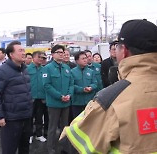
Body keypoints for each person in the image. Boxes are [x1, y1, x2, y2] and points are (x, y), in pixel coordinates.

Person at [60, 19, 157, 153]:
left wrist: (93, 108)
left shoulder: (112, 99)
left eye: (117, 46)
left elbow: (71, 146)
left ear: (123, 51)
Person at [0, 41, 33, 154]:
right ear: (11, 54)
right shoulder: (2, 71)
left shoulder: (24, 69)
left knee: (25, 148)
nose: (24, 53)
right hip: (11, 119)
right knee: (9, 149)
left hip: (26, 117)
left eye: (23, 50)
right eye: (20, 51)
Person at [42, 44, 74, 154]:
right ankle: (51, 149)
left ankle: (64, 148)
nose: (62, 54)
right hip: (54, 103)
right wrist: (60, 96)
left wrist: (69, 95)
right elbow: (47, 86)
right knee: (52, 127)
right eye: (59, 52)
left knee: (65, 127)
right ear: (53, 54)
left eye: (63, 52)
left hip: (66, 103)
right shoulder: (47, 68)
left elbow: (71, 83)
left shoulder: (66, 68)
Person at [27, 51, 48, 143]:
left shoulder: (44, 69)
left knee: (39, 117)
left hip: (41, 98)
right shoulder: (27, 69)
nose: (41, 59)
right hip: (30, 98)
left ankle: (39, 134)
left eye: (43, 58)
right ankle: (29, 134)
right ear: (33, 58)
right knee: (29, 117)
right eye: (39, 57)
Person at [71, 51, 97, 118]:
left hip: (89, 102)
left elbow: (95, 83)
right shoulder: (72, 72)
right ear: (77, 61)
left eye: (85, 58)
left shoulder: (91, 71)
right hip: (77, 102)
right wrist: (82, 89)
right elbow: (71, 85)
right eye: (83, 59)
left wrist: (91, 87)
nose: (85, 60)